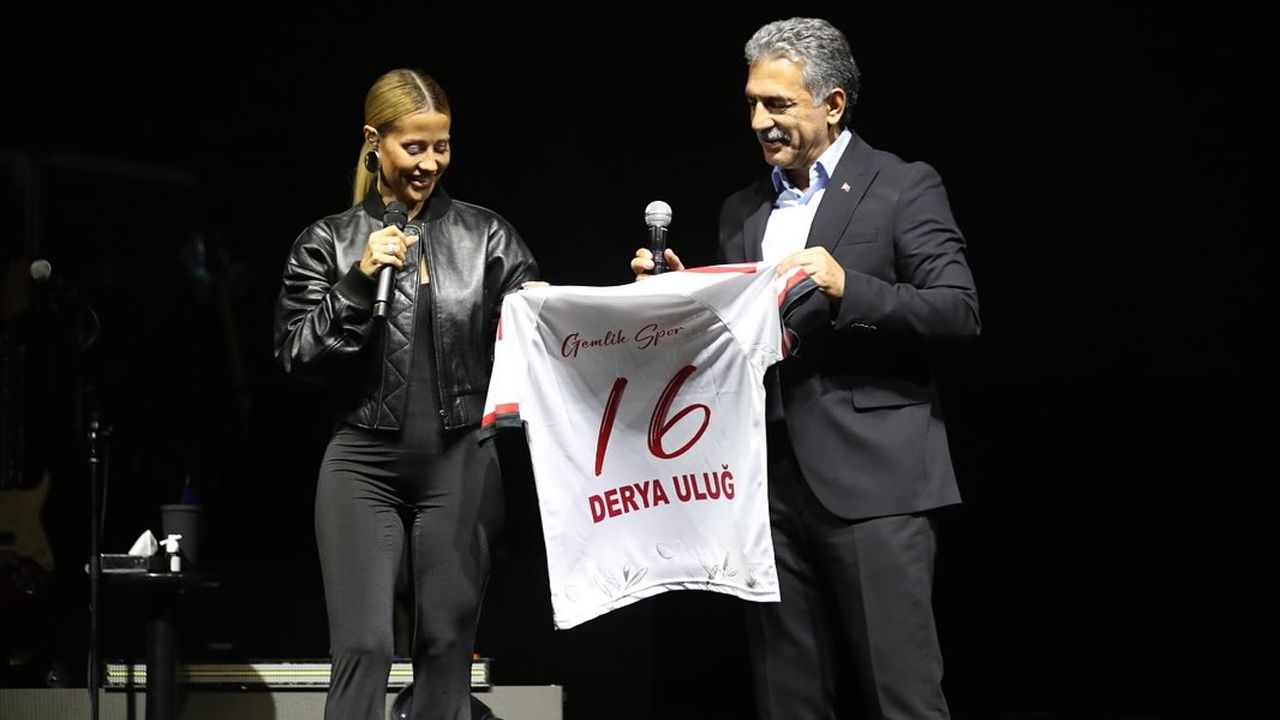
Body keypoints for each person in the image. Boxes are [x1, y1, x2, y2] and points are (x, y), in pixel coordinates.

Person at [632, 17, 980, 719]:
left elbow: (957, 309)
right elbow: (739, 341)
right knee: (786, 698)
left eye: (778, 104)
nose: (760, 121)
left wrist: (850, 288)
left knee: (901, 696)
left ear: (834, 104)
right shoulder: (742, 209)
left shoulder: (901, 185)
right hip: (767, 488)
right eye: (752, 103)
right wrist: (680, 297)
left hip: (875, 483)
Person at [274, 68, 538, 720]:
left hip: (461, 460)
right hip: (362, 464)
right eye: (413, 147)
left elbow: (548, 332)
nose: (429, 163)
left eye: (441, 146)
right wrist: (359, 281)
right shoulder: (329, 241)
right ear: (374, 141)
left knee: (447, 646)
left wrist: (636, 303)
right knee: (364, 646)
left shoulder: (487, 237)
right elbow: (297, 354)